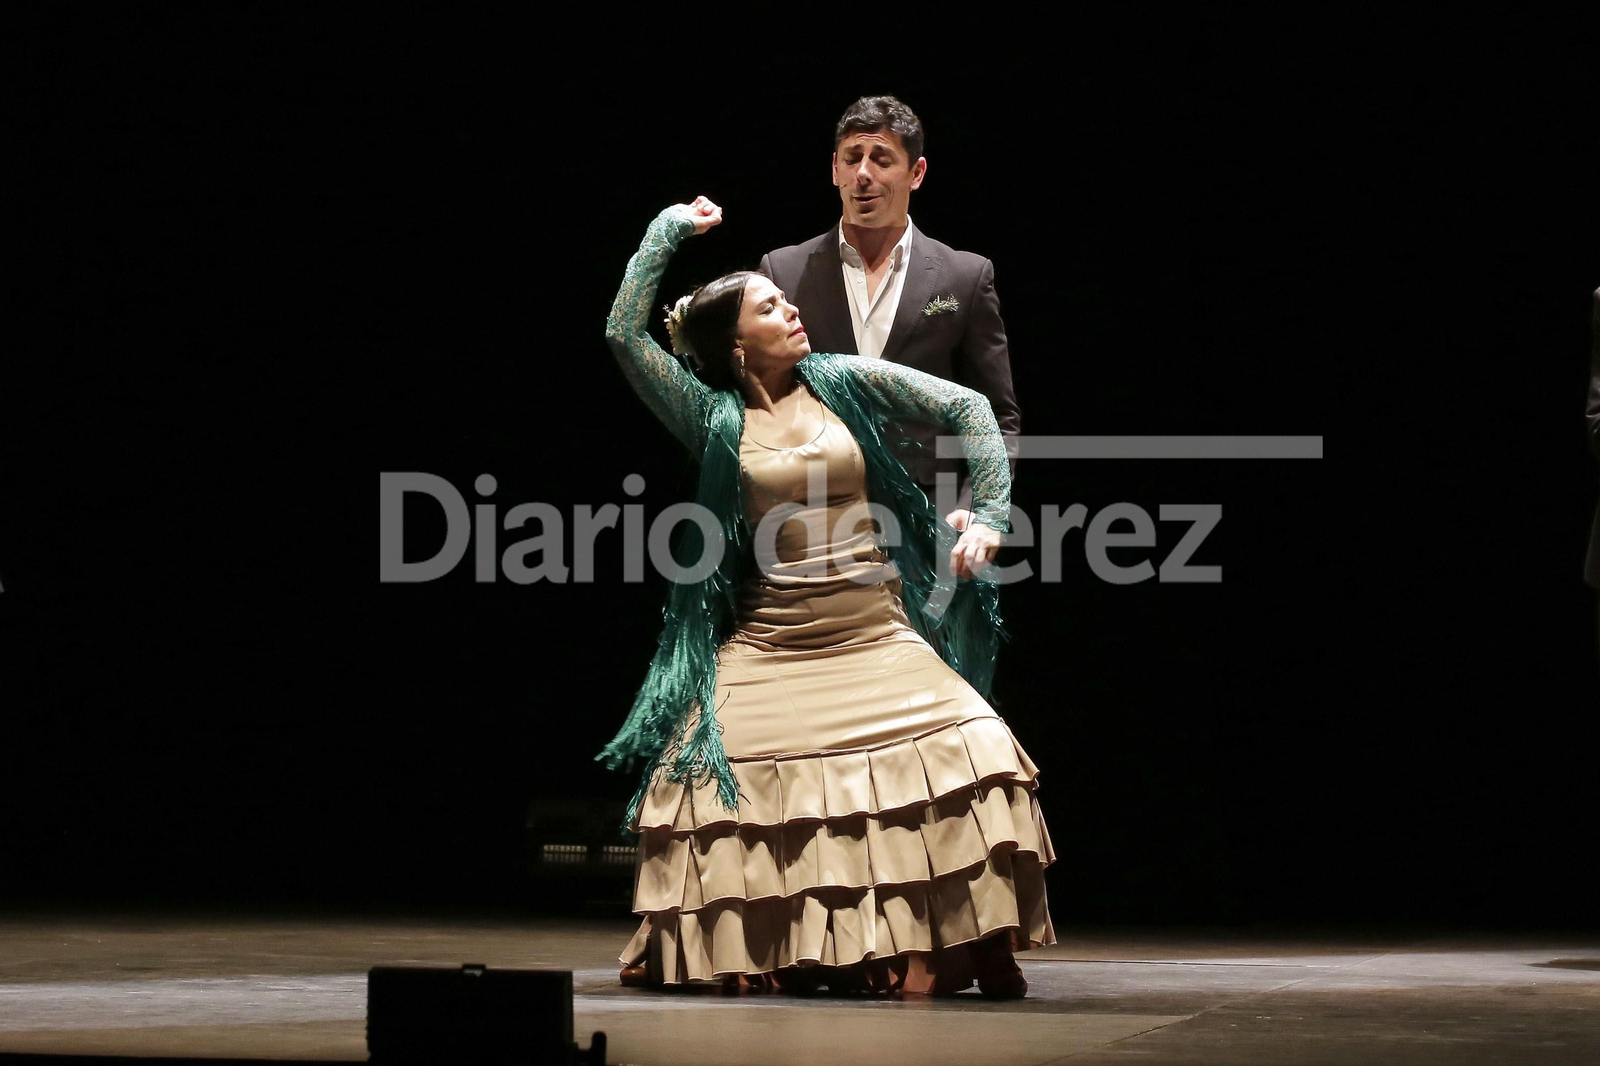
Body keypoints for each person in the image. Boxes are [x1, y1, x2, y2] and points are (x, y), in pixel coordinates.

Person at [601, 196, 1055, 997]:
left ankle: (968, 941)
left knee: (982, 750)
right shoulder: (710, 417)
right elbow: (621, 334)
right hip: (774, 645)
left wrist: (989, 516)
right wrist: (667, 230)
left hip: (877, 637)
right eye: (770, 307)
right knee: (698, 786)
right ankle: (789, 950)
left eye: (785, 299)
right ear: (737, 345)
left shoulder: (840, 380)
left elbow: (970, 407)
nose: (792, 309)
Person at [759, 95, 1020, 533]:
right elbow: (760, 400)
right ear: (835, 169)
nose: (864, 174)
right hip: (814, 519)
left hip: (933, 520)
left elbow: (997, 414)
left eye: (881, 159)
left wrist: (982, 508)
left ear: (915, 173)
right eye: (853, 158)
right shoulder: (782, 271)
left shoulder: (964, 276)